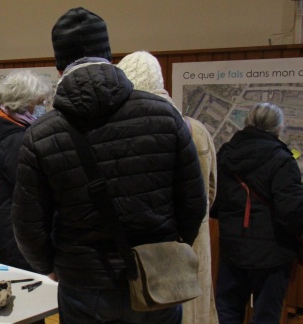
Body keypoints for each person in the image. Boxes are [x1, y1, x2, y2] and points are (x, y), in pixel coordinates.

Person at [11, 7, 207, 323]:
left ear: (59, 66)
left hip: (82, 280)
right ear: (109, 54)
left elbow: (27, 224)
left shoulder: (41, 134)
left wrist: (50, 265)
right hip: (158, 275)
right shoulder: (165, 116)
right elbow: (194, 203)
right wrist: (171, 245)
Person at [117, 50, 219, 324]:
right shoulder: (197, 129)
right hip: (192, 245)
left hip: (151, 252)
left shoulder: (128, 131)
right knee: (192, 312)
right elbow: (210, 193)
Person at [211, 102, 303, 323]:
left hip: (233, 249)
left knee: (227, 312)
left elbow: (216, 203)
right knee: (266, 316)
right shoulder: (282, 159)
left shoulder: (225, 154)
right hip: (272, 253)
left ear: (248, 122)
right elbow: (291, 211)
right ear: (278, 127)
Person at [0, 69, 51, 272]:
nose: (41, 109)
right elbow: (33, 188)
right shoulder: (15, 140)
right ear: (23, 103)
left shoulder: (4, 130)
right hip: (18, 235)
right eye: (38, 103)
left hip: (9, 228)